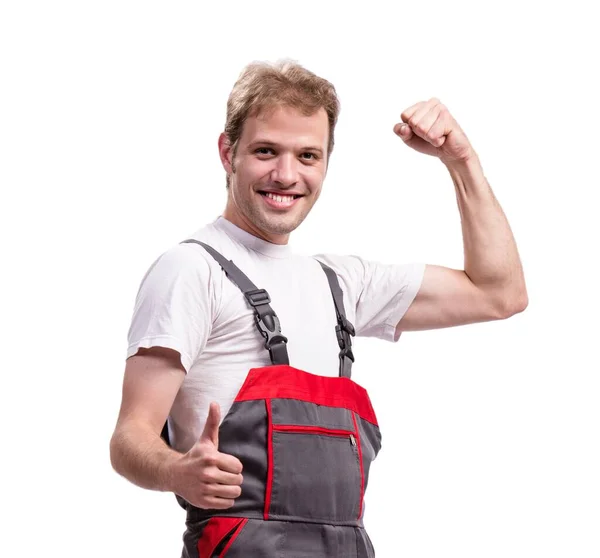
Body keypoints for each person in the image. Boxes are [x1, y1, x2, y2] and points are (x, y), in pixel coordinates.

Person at [109, 59, 527, 557]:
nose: (286, 175)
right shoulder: (191, 270)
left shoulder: (340, 283)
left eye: (308, 156)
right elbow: (129, 437)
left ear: (327, 161)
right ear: (228, 152)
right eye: (267, 151)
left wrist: (462, 161)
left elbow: (500, 293)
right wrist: (176, 471)